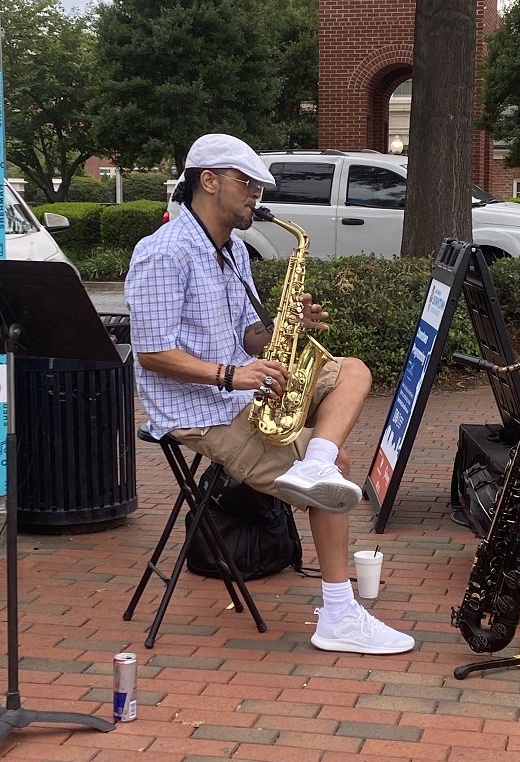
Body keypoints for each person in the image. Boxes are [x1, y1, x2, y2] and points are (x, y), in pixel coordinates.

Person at [125, 133, 414, 655]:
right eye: (247, 183)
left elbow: (249, 335)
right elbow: (152, 353)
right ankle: (339, 614)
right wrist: (231, 376)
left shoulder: (233, 248)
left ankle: (313, 463)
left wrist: (287, 326)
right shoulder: (163, 252)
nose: (256, 195)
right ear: (208, 182)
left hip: (240, 389)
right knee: (338, 476)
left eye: (259, 186)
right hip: (199, 411)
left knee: (352, 371)